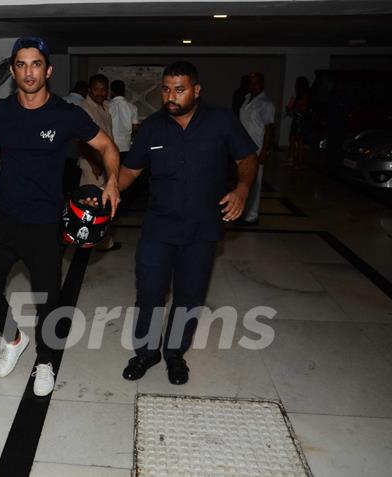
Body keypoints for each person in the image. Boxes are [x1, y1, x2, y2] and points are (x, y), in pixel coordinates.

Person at [0, 37, 120, 397]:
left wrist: (112, 184)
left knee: (49, 300)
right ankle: (14, 339)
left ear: (48, 69)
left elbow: (107, 146)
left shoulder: (66, 114)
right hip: (5, 218)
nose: (28, 71)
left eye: (35, 64)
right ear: (14, 71)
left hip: (46, 222)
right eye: (20, 64)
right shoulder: (0, 112)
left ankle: (45, 361)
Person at [117, 61, 258, 385]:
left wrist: (241, 189)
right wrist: (107, 192)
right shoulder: (152, 127)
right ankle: (146, 353)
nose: (171, 96)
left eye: (179, 90)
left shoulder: (221, 121)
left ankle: (175, 355)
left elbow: (247, 158)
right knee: (150, 292)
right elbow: (130, 171)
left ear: (196, 90)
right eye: (166, 89)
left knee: (189, 296)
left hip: (202, 229)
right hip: (159, 228)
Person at [79, 74, 121, 251]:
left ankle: (101, 240)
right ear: (90, 89)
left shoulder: (104, 106)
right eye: (96, 89)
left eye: (103, 89)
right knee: (91, 205)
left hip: (104, 164)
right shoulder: (85, 108)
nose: (100, 93)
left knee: (102, 205)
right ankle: (87, 239)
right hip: (92, 165)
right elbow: (83, 141)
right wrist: (95, 163)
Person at [237, 72, 275, 226]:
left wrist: (265, 151)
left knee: (255, 182)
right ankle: (243, 213)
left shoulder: (266, 103)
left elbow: (270, 129)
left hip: (257, 148)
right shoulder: (247, 98)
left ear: (262, 84)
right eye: (251, 83)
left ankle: (252, 216)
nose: (253, 85)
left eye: (256, 82)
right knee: (243, 180)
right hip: (242, 147)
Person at [108, 79, 140, 162]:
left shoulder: (106, 106)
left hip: (111, 147)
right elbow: (135, 129)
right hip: (126, 147)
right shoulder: (133, 107)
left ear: (111, 91)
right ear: (124, 91)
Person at [286, 76, 310, 169]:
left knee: (300, 141)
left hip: (301, 120)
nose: (295, 85)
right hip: (297, 119)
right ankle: (291, 159)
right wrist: (290, 109)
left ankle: (299, 162)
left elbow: (303, 108)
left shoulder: (305, 94)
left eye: (297, 83)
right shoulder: (298, 94)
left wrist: (294, 108)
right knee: (292, 139)